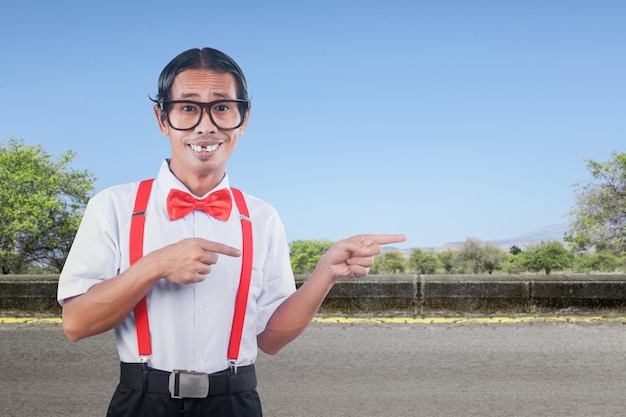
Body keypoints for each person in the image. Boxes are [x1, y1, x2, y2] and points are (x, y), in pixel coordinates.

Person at [57, 47, 406, 417]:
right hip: (142, 400)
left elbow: (270, 339)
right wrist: (154, 265)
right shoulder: (113, 206)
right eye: (188, 108)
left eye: (222, 108)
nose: (206, 126)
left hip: (235, 402)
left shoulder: (262, 216)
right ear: (162, 118)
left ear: (244, 118)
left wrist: (325, 274)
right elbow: (76, 324)